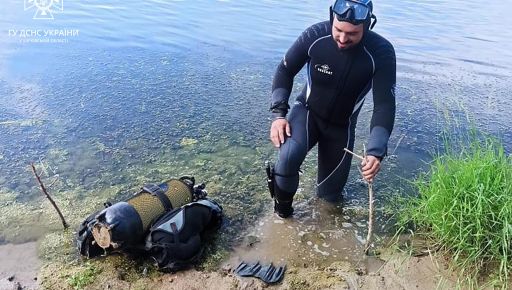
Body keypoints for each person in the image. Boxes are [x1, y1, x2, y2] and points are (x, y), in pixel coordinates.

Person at [266, 0, 396, 218]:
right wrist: (279, 115)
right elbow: (284, 71)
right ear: (331, 18)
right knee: (287, 159)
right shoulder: (316, 36)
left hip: (341, 128)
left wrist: (376, 151)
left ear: (368, 25)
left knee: (330, 199)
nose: (343, 39)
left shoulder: (381, 52)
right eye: (338, 30)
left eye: (352, 33)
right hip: (306, 113)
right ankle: (282, 218)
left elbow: (384, 105)